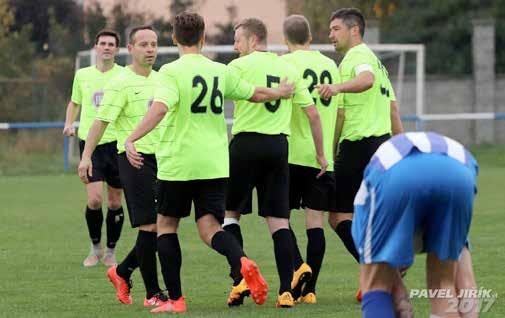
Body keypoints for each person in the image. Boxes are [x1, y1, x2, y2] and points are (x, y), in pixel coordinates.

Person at [123, 12, 295, 313]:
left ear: (174, 38)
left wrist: (131, 138)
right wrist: (279, 93)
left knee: (166, 226)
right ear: (203, 38)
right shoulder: (219, 70)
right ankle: (240, 260)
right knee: (210, 227)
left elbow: (160, 109)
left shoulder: (170, 72)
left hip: (179, 162)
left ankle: (175, 300)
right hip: (215, 163)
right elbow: (253, 93)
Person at [222, 17, 327, 308]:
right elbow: (313, 115)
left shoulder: (237, 67)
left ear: (253, 40)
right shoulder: (288, 67)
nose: (234, 46)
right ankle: (285, 292)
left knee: (230, 213)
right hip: (279, 147)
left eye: (238, 40)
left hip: (245, 145)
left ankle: (239, 279)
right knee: (279, 220)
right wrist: (321, 154)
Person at [317, 7, 403, 300]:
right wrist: (401, 147)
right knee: (369, 213)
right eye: (330, 30)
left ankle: (380, 273)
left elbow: (364, 82)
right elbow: (392, 108)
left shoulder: (358, 58)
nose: (330, 35)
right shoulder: (379, 64)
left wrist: (336, 88)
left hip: (358, 146)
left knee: (338, 215)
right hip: (382, 145)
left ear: (355, 30)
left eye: (336, 29)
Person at [78, 26, 168, 307]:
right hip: (133, 159)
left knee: (161, 226)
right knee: (150, 225)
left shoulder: (163, 80)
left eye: (154, 44)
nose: (150, 49)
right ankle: (152, 292)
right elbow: (100, 121)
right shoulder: (120, 82)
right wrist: (86, 157)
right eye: (144, 44)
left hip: (163, 160)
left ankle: (122, 271)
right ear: (131, 48)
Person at [352, 132, 478, 318]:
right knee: (443, 285)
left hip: (398, 171)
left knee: (375, 283)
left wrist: (399, 299)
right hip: (459, 170)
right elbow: (466, 285)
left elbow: (380, 271)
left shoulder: (364, 216)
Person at [280, 14, 342, 304]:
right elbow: (340, 112)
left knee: (279, 218)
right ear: (310, 37)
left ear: (285, 40)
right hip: (323, 157)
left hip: (292, 154)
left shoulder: (284, 64)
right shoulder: (330, 64)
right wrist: (331, 149)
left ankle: (297, 268)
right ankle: (311, 290)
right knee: (315, 222)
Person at [63, 29, 125, 267]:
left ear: (117, 50)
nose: (107, 47)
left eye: (111, 44)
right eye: (103, 43)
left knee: (115, 202)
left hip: (117, 144)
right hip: (91, 145)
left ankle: (111, 251)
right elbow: (74, 102)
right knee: (95, 200)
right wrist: (69, 123)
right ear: (96, 47)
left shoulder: (124, 76)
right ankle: (95, 247)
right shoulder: (83, 75)